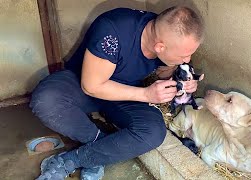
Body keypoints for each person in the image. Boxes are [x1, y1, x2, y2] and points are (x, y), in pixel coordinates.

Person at [30, 5, 204, 180]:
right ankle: (98, 146)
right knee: (46, 100)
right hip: (83, 82)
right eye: (184, 55)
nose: (187, 60)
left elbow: (163, 72)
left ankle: (74, 159)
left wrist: (181, 83)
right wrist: (146, 95)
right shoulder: (112, 31)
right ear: (160, 47)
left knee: (153, 132)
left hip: (127, 91)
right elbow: (91, 86)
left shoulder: (164, 33)